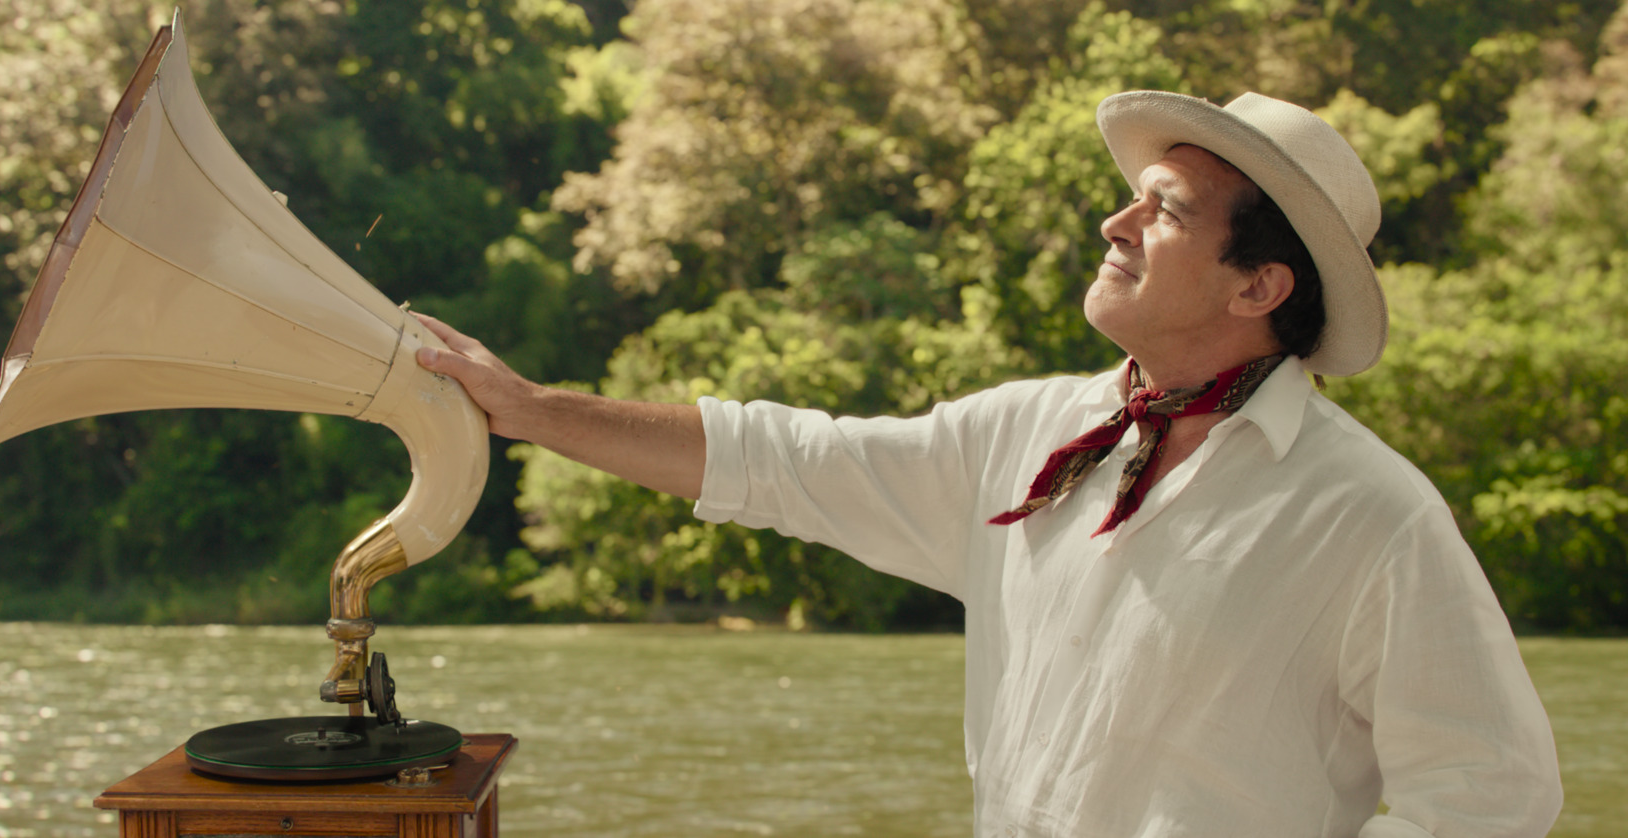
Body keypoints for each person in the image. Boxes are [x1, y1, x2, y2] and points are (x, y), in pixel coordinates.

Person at [414, 91, 1562, 837]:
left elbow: (1488, 793)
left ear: (1257, 285)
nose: (1114, 223)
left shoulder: (1369, 515)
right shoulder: (1021, 432)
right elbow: (783, 456)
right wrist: (531, 411)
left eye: (1159, 211)